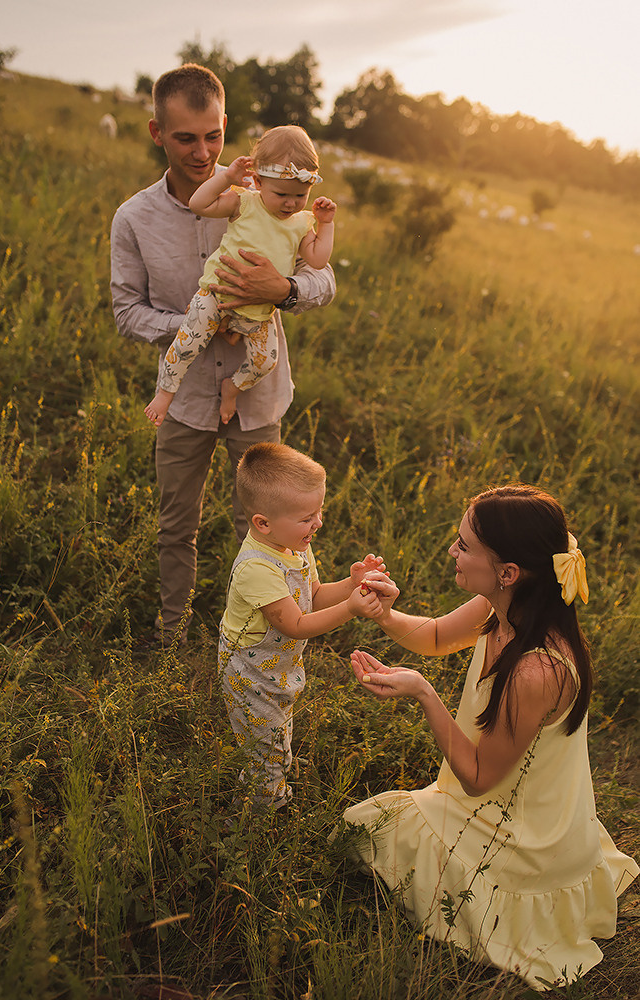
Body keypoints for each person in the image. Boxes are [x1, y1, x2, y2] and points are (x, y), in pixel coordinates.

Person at [339, 485, 638, 990]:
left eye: (463, 545)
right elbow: (434, 636)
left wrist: (423, 694)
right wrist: (384, 615)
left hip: (518, 831)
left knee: (367, 828)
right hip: (491, 799)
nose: (451, 552)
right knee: (368, 829)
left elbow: (477, 778)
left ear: (508, 573)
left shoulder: (536, 671)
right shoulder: (502, 606)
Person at [110, 64, 335, 646]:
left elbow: (323, 282)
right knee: (175, 525)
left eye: (213, 135)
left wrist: (279, 291)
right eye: (186, 137)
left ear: (225, 125)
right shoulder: (134, 219)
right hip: (184, 400)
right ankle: (171, 635)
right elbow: (127, 311)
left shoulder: (266, 199)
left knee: (263, 529)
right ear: (158, 133)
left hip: (256, 397)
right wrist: (195, 327)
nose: (203, 151)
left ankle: (256, 645)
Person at [219, 442, 387, 810]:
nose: (319, 523)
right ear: (263, 522)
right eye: (307, 517)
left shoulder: (294, 544)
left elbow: (313, 595)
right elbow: (296, 624)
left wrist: (352, 582)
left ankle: (274, 767)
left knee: (276, 725)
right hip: (249, 672)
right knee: (264, 749)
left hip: (277, 667)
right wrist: (351, 608)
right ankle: (257, 817)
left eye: (319, 511)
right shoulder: (256, 569)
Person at [145, 125, 336, 427]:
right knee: (187, 342)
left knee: (266, 361)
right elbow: (199, 204)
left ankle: (232, 389)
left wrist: (325, 225)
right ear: (258, 181)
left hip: (259, 312)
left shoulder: (300, 222)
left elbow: (318, 258)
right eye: (282, 194)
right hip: (216, 297)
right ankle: (165, 392)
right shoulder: (244, 202)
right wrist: (226, 178)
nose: (291, 203)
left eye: (301, 195)